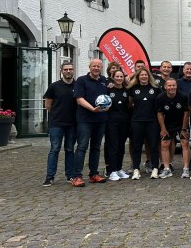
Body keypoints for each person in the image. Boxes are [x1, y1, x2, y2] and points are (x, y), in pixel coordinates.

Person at [71, 58, 109, 187]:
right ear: (89, 67)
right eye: (94, 66)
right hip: (85, 120)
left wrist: (107, 107)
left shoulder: (104, 80)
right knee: (82, 147)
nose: (96, 68)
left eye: (99, 66)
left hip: (101, 119)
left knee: (96, 148)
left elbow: (108, 97)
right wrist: (93, 109)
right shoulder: (81, 80)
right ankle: (76, 176)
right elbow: (79, 99)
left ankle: (94, 174)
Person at [43, 61, 77, 186]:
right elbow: (48, 105)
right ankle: (50, 176)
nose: (68, 71)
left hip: (73, 124)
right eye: (66, 69)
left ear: (73, 70)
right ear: (61, 71)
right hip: (56, 123)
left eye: (70, 69)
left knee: (69, 149)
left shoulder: (78, 85)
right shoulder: (54, 86)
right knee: (55, 149)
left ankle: (70, 175)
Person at [128, 67, 161, 180]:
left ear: (149, 76)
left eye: (145, 75)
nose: (143, 76)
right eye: (141, 75)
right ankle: (136, 169)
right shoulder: (133, 89)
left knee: (153, 146)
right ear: (138, 76)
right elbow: (128, 102)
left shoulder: (155, 88)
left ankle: (155, 168)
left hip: (152, 121)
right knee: (137, 146)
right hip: (137, 121)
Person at [156, 78, 191, 179]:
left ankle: (186, 169)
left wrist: (184, 129)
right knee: (164, 144)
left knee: (185, 143)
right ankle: (167, 169)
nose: (171, 88)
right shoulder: (160, 97)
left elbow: (186, 112)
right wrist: (163, 129)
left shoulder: (183, 96)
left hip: (181, 123)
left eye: (173, 85)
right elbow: (160, 113)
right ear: (165, 87)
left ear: (176, 86)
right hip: (167, 123)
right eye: (169, 86)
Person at [105, 70, 131, 181]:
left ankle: (119, 169)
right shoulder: (108, 90)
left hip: (124, 122)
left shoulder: (126, 91)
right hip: (111, 122)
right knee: (113, 146)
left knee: (121, 146)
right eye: (117, 76)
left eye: (121, 76)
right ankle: (112, 171)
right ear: (113, 77)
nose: (119, 78)